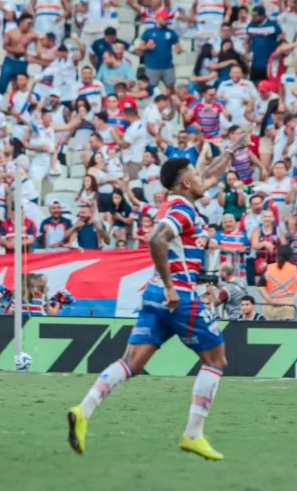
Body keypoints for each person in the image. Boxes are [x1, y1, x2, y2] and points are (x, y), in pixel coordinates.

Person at [66, 136, 248, 462]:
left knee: (131, 362)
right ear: (187, 182)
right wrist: (170, 287)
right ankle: (193, 434)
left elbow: (209, 176)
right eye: (196, 174)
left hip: (152, 297)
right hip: (177, 296)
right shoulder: (182, 210)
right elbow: (156, 239)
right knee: (216, 361)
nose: (204, 179)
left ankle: (84, 409)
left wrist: (233, 150)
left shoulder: (174, 202)